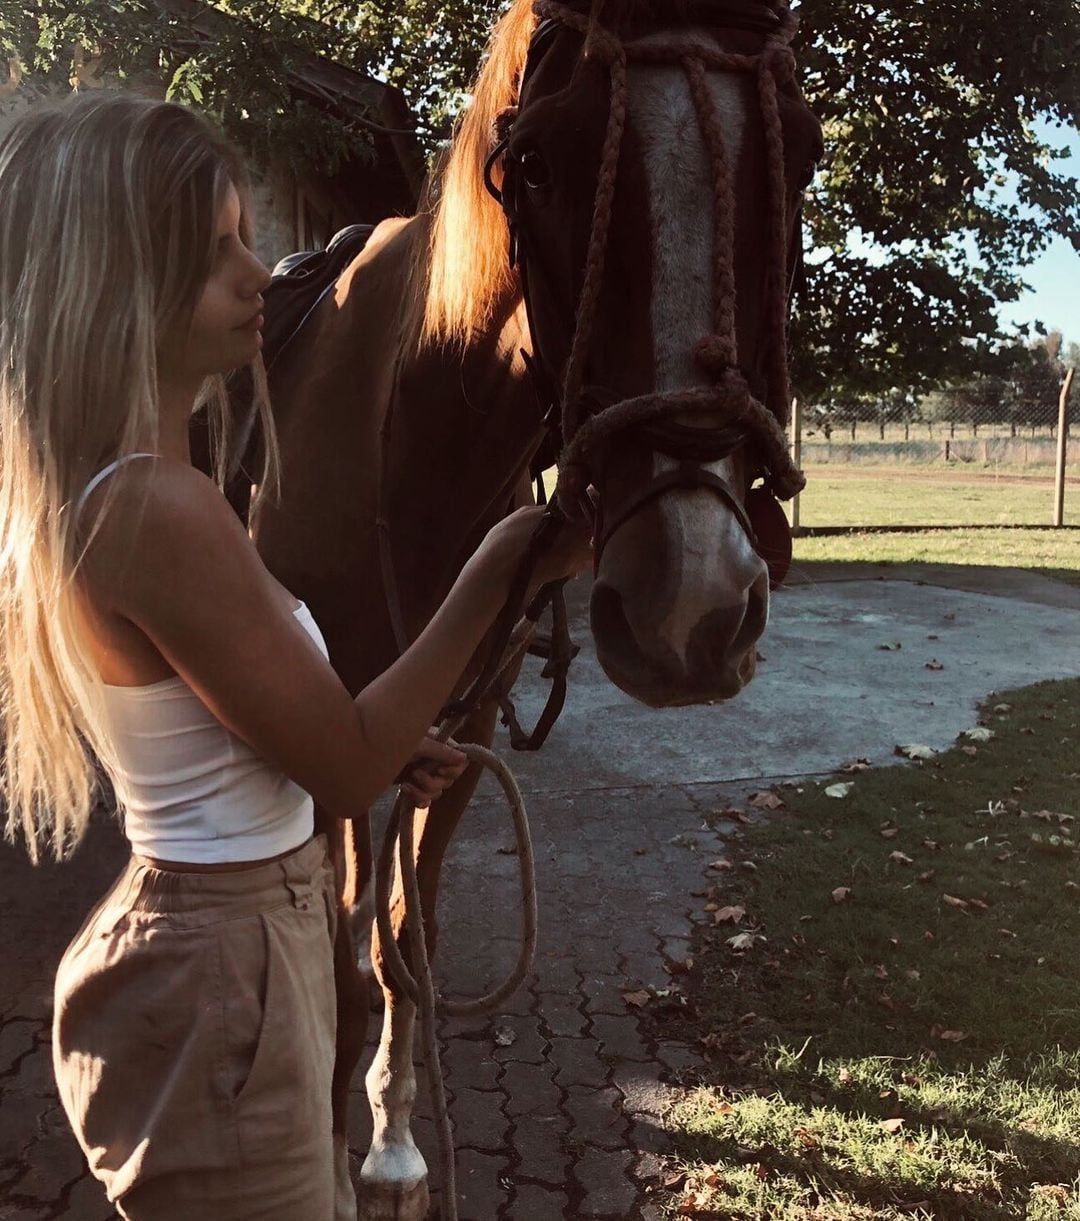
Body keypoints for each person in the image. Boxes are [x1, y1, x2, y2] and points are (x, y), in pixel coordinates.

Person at [0, 92, 592, 1220]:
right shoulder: (156, 508)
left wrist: (381, 742)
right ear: (113, 282)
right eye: (212, 251)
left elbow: (258, 729)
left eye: (245, 237)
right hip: (229, 965)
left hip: (238, 943)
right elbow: (345, 768)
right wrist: (505, 565)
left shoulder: (144, 494)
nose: (256, 276)